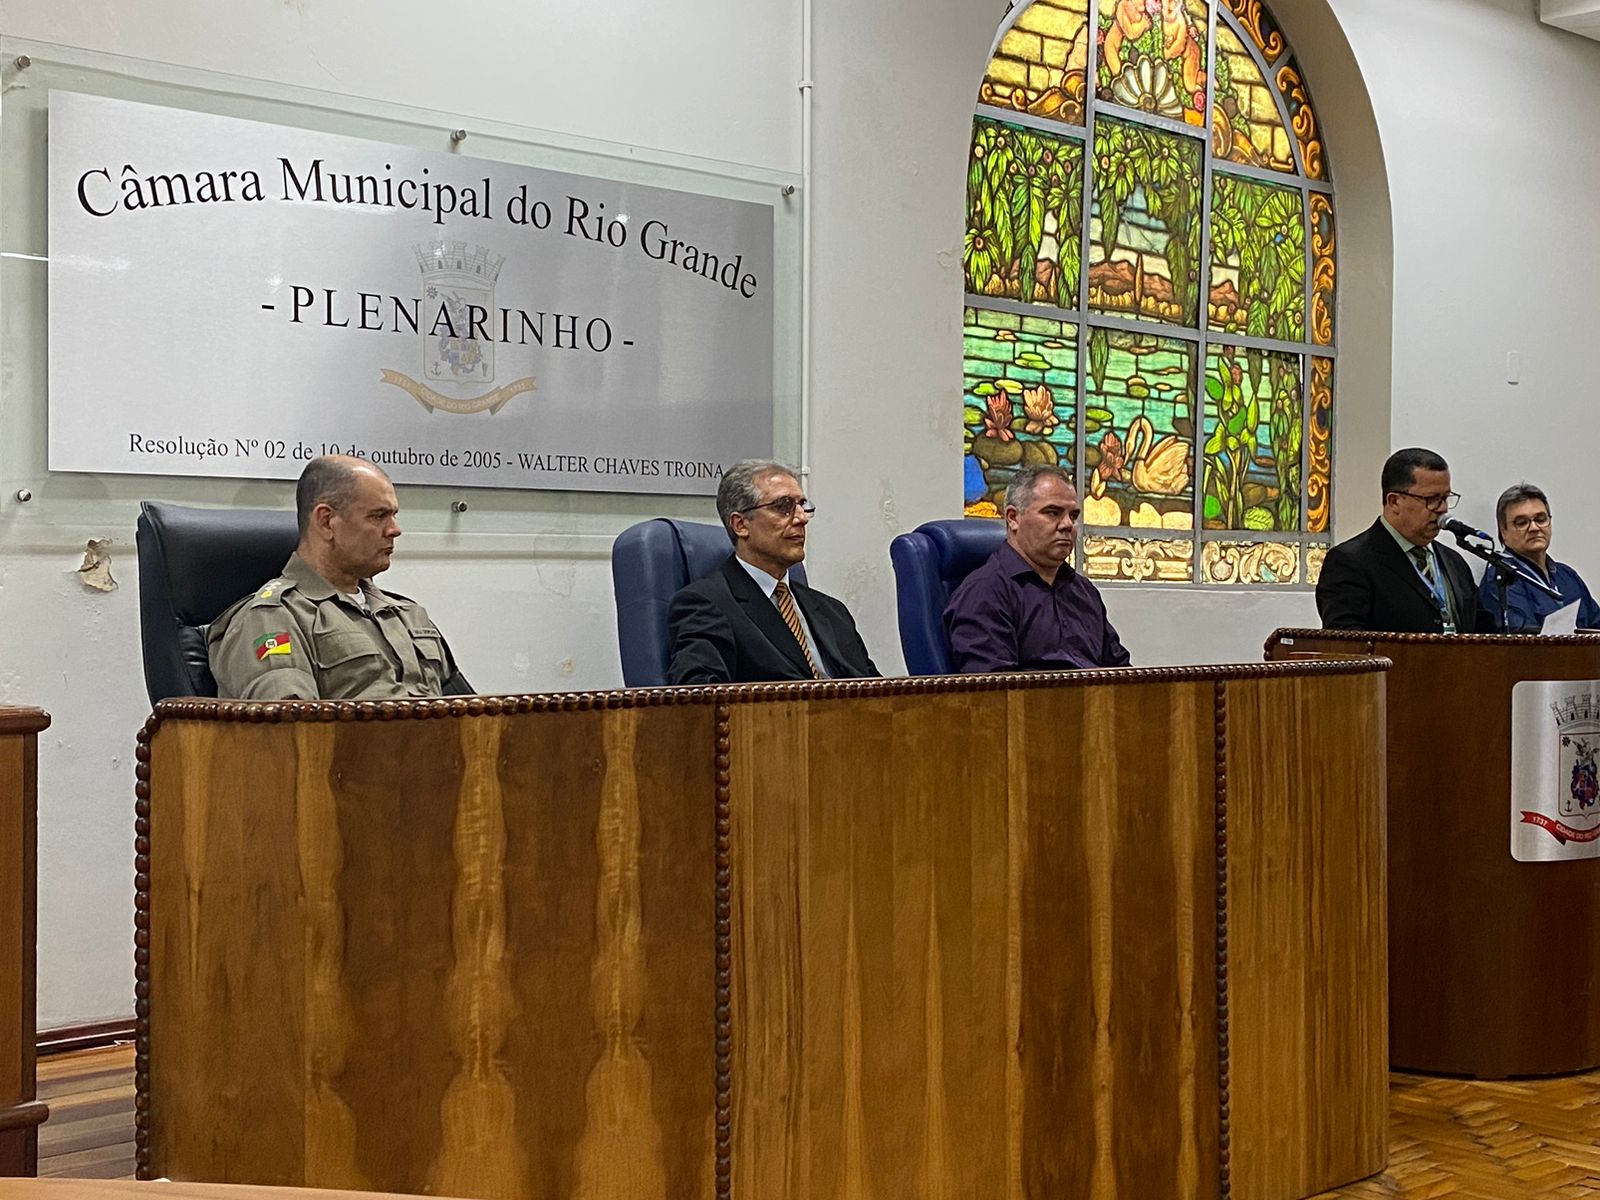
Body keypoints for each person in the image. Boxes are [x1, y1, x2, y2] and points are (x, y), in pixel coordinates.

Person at [208, 455, 469, 699]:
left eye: (394, 515)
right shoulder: (273, 618)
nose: (394, 530)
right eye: (378, 516)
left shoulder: (408, 615)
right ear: (326, 521)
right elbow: (291, 730)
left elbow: (473, 715)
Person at [666, 459, 879, 684]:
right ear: (740, 525)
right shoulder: (706, 604)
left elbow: (882, 694)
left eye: (802, 505)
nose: (801, 518)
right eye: (783, 506)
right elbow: (698, 698)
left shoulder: (832, 611)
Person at [944, 464, 1130, 672]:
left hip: (1099, 702)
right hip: (1032, 703)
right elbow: (994, 693)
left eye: (1073, 516)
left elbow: (1122, 672)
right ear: (1013, 518)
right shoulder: (985, 592)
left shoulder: (1084, 591)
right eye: (1053, 513)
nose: (1068, 524)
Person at [1316, 447, 1488, 633]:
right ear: (1394, 502)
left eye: (1445, 498)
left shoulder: (1454, 562)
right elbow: (1346, 644)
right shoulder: (1350, 562)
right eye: (1431, 499)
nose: (1442, 509)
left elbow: (1482, 630)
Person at [1476, 482, 1600, 632]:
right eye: (1522, 523)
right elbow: (1525, 642)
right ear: (1504, 531)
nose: (1534, 528)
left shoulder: (1568, 576)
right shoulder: (1501, 578)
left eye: (1541, 519)